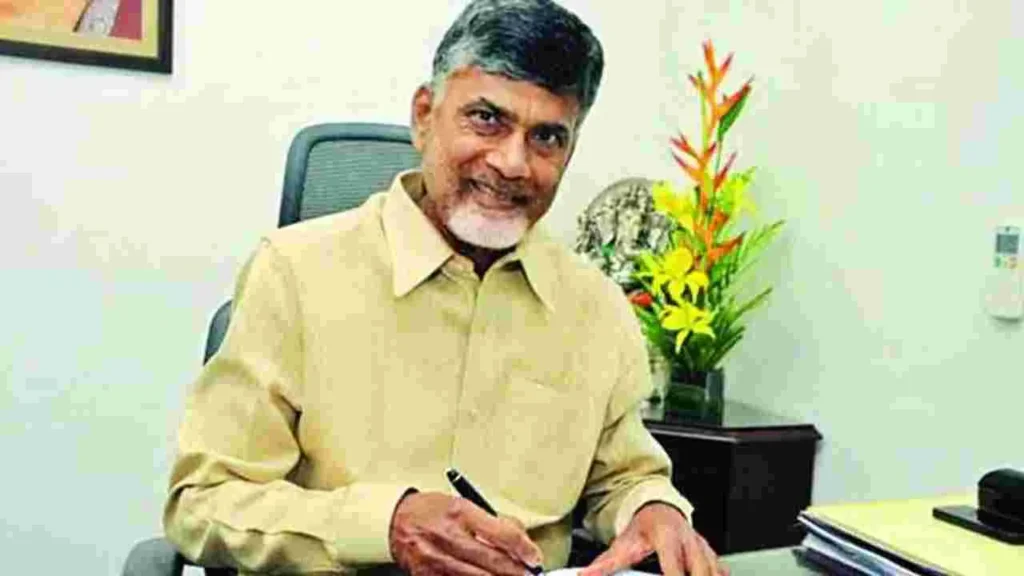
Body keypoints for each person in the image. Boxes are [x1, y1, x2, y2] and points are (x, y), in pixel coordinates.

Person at [163, 1, 726, 575]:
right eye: (486, 119)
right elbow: (203, 502)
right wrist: (382, 526)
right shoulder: (294, 272)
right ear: (424, 117)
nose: (512, 163)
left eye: (547, 137)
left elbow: (624, 475)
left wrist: (653, 510)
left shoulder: (596, 307)